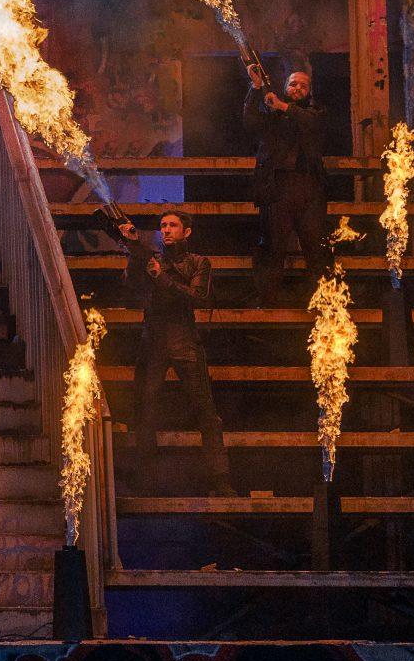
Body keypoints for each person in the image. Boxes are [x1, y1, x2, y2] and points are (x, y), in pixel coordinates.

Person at [121, 211, 232, 496]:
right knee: (145, 408)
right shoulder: (152, 258)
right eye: (163, 226)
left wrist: (161, 277)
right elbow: (131, 285)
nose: (167, 230)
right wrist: (134, 249)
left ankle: (220, 478)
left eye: (173, 225)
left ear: (187, 231)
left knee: (205, 410)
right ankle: (146, 480)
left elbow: (198, 297)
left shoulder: (198, 262)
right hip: (154, 337)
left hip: (183, 337)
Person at [243, 64, 331, 299]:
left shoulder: (316, 112)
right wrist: (256, 87)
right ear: (285, 87)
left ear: (309, 91)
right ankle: (268, 301)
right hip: (277, 189)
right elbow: (250, 122)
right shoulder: (272, 116)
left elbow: (312, 123)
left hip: (309, 189)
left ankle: (322, 304)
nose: (298, 88)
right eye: (293, 84)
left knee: (316, 250)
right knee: (272, 248)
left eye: (303, 85)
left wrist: (283, 106)